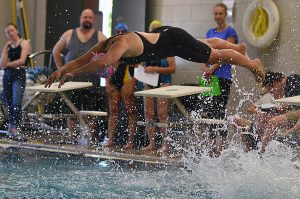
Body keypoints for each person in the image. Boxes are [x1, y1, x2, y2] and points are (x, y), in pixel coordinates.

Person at [45, 25, 264, 99]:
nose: (111, 65)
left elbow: (104, 63)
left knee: (215, 55)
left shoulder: (119, 43)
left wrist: (73, 74)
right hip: (168, 39)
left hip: (173, 40)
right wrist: (61, 70)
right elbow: (83, 59)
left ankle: (252, 63)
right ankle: (238, 48)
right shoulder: (103, 46)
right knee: (205, 42)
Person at [52, 8, 107, 144]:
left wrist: (106, 76)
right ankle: (72, 138)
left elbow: (109, 55)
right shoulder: (69, 34)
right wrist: (61, 69)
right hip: (71, 81)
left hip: (91, 81)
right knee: (72, 112)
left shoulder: (100, 36)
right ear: (80, 18)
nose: (87, 20)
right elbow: (56, 51)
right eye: (85, 17)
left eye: (90, 17)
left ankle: (91, 140)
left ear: (93, 20)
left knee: (90, 112)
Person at [200, 3, 239, 156]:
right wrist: (204, 68)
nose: (217, 16)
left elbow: (228, 54)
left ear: (225, 15)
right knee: (209, 111)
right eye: (215, 14)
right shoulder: (209, 32)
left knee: (219, 110)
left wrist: (212, 69)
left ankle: (221, 145)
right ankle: (210, 145)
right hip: (209, 77)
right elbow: (204, 53)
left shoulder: (230, 31)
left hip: (222, 76)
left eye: (220, 14)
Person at [141, 20, 176, 156]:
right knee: (148, 114)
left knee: (162, 114)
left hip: (163, 83)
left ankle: (165, 144)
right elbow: (142, 66)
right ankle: (152, 143)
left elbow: (172, 68)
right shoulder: (146, 48)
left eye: (158, 30)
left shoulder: (169, 48)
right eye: (153, 30)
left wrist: (155, 68)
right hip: (149, 83)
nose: (156, 32)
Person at [104, 22, 137, 151]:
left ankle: (130, 141)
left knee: (131, 111)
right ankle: (110, 139)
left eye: (123, 32)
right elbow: (106, 64)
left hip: (127, 77)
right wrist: (107, 83)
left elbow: (138, 67)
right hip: (113, 77)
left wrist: (133, 82)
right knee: (113, 111)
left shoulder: (132, 48)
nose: (120, 34)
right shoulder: (110, 46)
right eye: (118, 32)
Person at [0, 22, 31, 139]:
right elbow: (1, 64)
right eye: (8, 32)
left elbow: (22, 60)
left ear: (17, 31)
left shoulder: (24, 43)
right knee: (8, 103)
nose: (10, 33)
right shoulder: (8, 46)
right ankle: (11, 127)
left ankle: (16, 127)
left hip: (19, 74)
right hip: (7, 75)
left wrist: (7, 64)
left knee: (16, 102)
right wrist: (5, 48)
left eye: (12, 30)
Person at [259, 72, 300, 154]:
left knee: (273, 122)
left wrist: (291, 131)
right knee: (266, 119)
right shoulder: (290, 84)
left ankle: (262, 153)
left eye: (273, 87)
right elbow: (296, 102)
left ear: (275, 82)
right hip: (296, 112)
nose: (272, 90)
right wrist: (283, 108)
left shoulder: (293, 81)